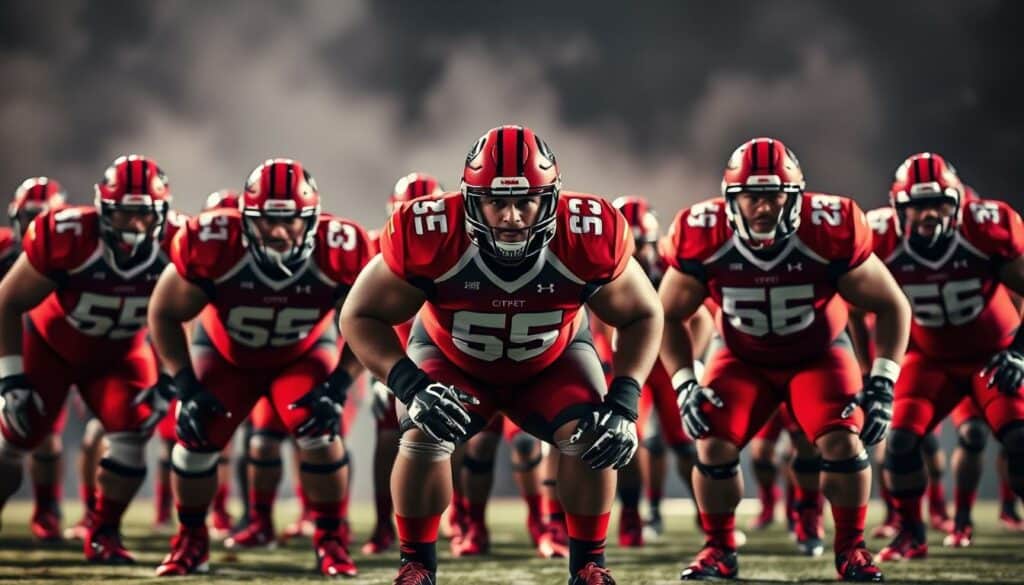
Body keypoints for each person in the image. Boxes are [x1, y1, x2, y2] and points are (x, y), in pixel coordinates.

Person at [340, 124, 663, 585]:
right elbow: (359, 313)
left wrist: (625, 400)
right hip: (452, 361)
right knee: (422, 434)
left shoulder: (588, 232)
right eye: (496, 202)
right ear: (472, 200)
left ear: (550, 199)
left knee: (596, 435)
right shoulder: (431, 231)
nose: (511, 217)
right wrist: (409, 385)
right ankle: (416, 565)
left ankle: (589, 564)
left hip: (552, 363)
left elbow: (645, 313)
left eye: (525, 201)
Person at [659, 137, 911, 581]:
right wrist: (684, 381)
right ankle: (719, 549)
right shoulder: (702, 232)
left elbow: (892, 304)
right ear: (730, 199)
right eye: (751, 196)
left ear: (795, 197)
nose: (763, 208)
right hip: (740, 356)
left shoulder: (829, 225)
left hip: (817, 354)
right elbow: (666, 315)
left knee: (843, 443)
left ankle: (851, 549)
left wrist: (884, 379)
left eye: (774, 195)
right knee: (713, 444)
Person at [150, 158, 371, 577]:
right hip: (226, 355)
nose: (278, 231)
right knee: (194, 437)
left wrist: (340, 385)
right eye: (268, 220)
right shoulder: (214, 242)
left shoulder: (342, 247)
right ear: (246, 218)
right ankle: (191, 542)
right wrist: (184, 385)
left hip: (301, 355)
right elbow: (163, 312)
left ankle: (331, 541)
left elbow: (370, 318)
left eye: (290, 220)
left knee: (320, 430)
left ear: (313, 218)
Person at [0, 155, 181, 563]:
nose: (135, 226)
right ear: (103, 210)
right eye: (124, 215)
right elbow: (7, 301)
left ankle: (103, 533)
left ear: (163, 213)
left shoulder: (178, 242)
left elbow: (183, 312)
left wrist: (172, 378)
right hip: (50, 349)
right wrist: (10, 378)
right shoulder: (68, 235)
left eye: (144, 215)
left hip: (121, 355)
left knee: (132, 441)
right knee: (11, 440)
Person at [862, 153, 1024, 559]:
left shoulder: (986, 228)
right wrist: (872, 373)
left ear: (958, 204)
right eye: (918, 206)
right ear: (898, 208)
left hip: (991, 354)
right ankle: (911, 533)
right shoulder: (879, 237)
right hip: (928, 357)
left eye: (939, 204)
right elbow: (853, 307)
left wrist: (1019, 352)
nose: (929, 214)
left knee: (1020, 441)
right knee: (898, 442)